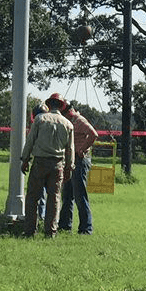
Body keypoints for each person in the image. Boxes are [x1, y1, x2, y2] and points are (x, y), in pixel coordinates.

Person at [20, 92, 73, 238]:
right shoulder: (68, 124)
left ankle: (30, 230)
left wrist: (25, 159)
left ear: (48, 105)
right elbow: (70, 149)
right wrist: (69, 167)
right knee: (54, 198)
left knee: (32, 197)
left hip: (40, 162)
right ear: (61, 106)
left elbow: (30, 140)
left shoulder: (40, 119)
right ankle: (50, 231)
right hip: (58, 164)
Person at [58, 100, 98, 234]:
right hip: (71, 160)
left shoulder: (79, 120)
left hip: (80, 160)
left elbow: (93, 134)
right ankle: (64, 226)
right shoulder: (71, 121)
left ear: (68, 112)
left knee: (80, 195)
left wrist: (82, 149)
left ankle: (86, 228)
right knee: (67, 195)